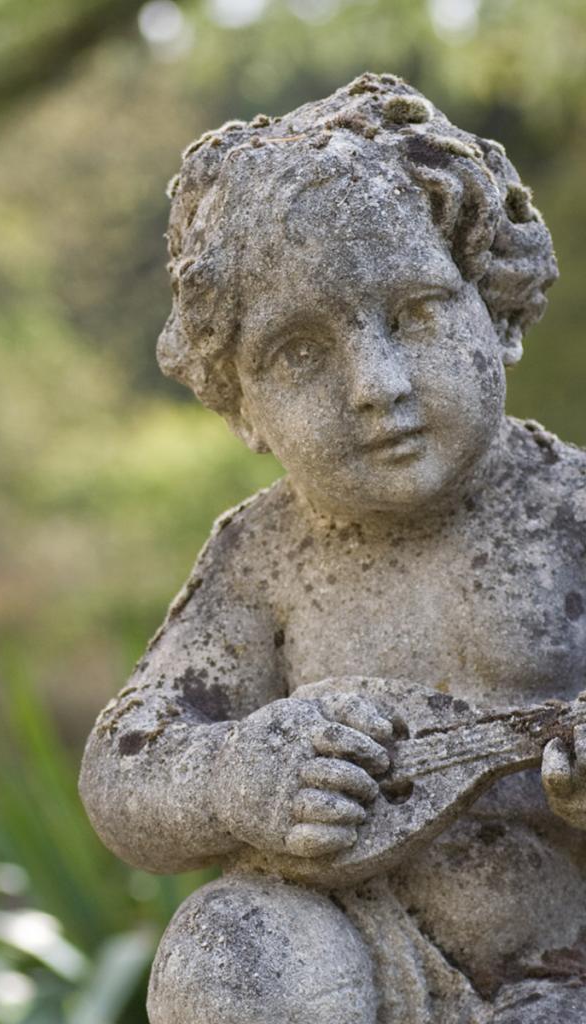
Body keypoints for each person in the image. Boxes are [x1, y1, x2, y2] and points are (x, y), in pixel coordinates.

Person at [79, 73, 586, 1024]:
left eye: (415, 315)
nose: (376, 385)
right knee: (225, 947)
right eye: (302, 354)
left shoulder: (571, 514)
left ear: (499, 306)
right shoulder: (261, 554)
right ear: (242, 402)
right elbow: (125, 766)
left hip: (565, 964)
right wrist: (234, 776)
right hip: (355, 958)